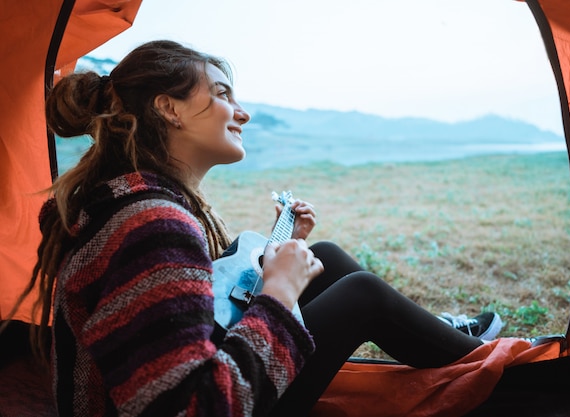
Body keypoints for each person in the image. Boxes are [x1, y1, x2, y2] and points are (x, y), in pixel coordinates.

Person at [3, 40, 503, 417]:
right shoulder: (152, 222)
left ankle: (449, 342)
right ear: (168, 108)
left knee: (326, 255)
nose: (242, 111)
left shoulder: (136, 200)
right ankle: (507, 379)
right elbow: (191, 407)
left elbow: (206, 300)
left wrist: (283, 252)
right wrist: (280, 290)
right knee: (363, 295)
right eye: (222, 94)